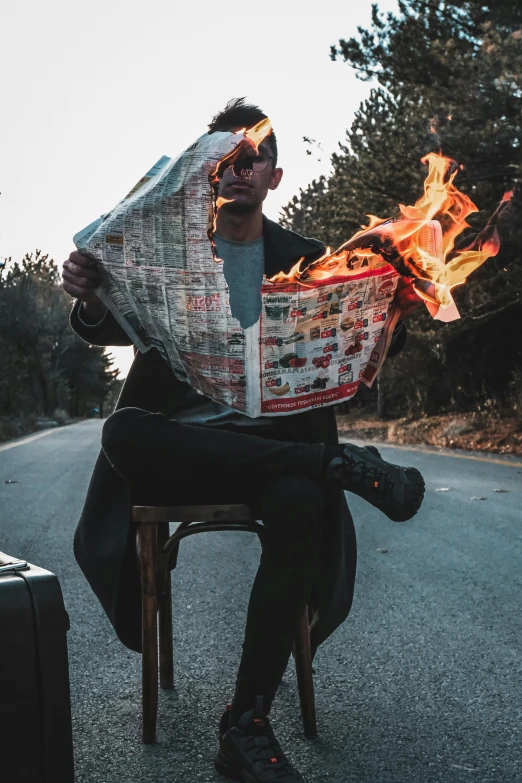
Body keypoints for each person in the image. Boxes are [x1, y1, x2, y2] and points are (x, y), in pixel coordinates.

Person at [62, 99, 424, 783]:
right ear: (205, 173)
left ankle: (247, 720)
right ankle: (332, 464)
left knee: (297, 501)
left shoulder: (306, 258)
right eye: (224, 156)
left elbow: (362, 337)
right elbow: (101, 323)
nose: (238, 168)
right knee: (122, 431)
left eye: (252, 156)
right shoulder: (165, 249)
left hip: (269, 453)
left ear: (273, 175)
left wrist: (394, 307)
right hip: (179, 449)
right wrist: (87, 294)